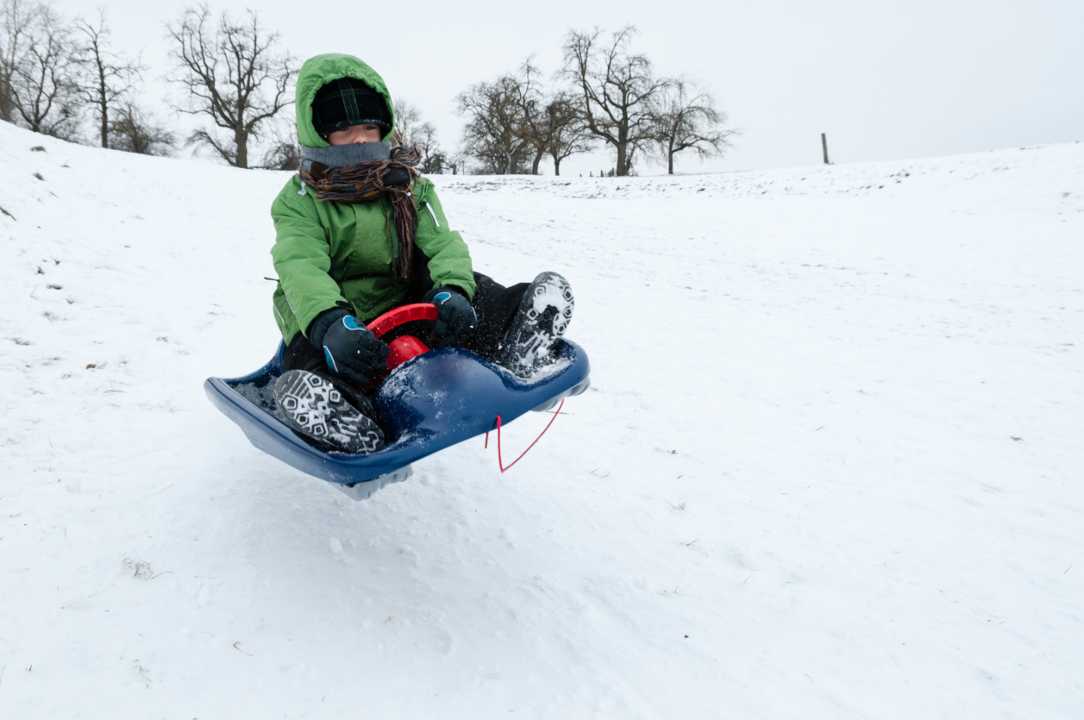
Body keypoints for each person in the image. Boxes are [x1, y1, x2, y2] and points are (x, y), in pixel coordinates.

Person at [268, 53, 574, 454]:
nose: (360, 138)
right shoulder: (299, 201)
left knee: (475, 292)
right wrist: (329, 323)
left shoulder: (408, 187)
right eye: (344, 130)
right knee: (316, 354)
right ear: (318, 134)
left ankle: (517, 334)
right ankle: (340, 412)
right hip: (342, 317)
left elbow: (442, 243)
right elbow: (300, 265)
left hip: (403, 298)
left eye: (369, 127)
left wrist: (453, 290)